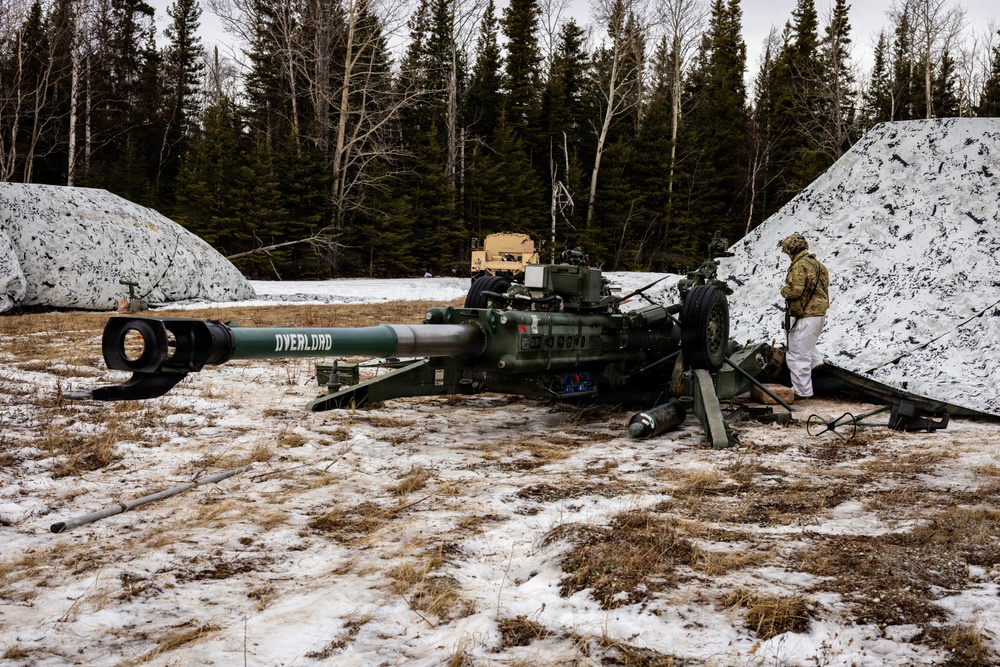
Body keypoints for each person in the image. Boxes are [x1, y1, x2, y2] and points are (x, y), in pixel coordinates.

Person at [779, 233, 829, 399]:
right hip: (819, 313)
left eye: (788, 252)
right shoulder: (818, 264)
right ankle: (816, 362)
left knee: (797, 354)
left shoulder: (799, 265)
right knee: (806, 344)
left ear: (792, 249)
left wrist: (783, 290)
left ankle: (802, 392)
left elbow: (795, 290)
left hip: (806, 314)